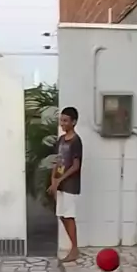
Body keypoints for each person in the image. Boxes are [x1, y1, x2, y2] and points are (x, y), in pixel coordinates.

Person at [48, 106, 83, 263]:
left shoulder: (76, 141)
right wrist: (53, 180)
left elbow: (76, 166)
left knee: (69, 216)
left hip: (70, 185)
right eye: (61, 120)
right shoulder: (61, 140)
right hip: (60, 184)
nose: (62, 123)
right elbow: (57, 161)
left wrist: (60, 180)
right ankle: (73, 246)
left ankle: (74, 249)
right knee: (61, 215)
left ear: (73, 122)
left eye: (65, 121)